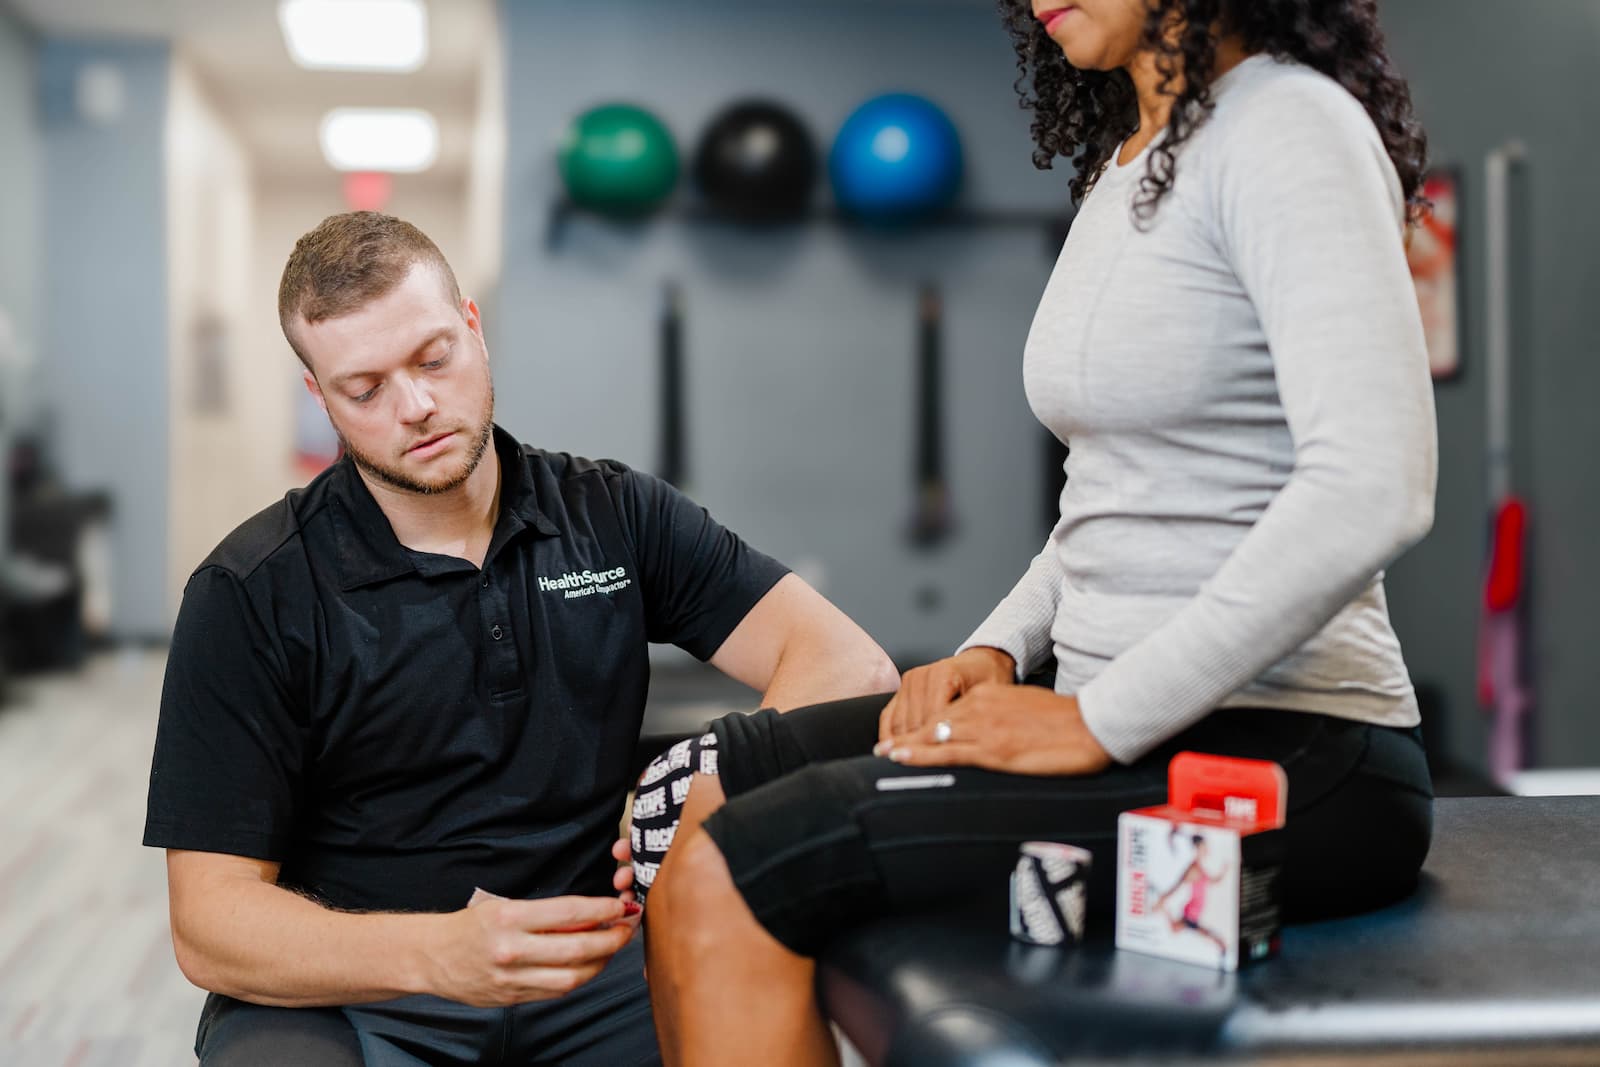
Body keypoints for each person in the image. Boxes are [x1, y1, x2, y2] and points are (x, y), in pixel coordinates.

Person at [639, 1, 1439, 1063]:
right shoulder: (1131, 163)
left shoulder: (1289, 126)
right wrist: (993, 647)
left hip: (1294, 745)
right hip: (1114, 712)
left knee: (735, 865)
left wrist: (1094, 720)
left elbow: (1376, 485)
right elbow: (1107, 496)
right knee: (683, 797)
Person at [142, 211, 900, 1067]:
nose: (417, 405)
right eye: (366, 388)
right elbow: (209, 923)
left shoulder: (613, 514)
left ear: (473, 327)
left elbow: (847, 662)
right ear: (319, 397)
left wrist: (699, 787)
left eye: (434, 359)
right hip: (364, 991)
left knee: (769, 1008)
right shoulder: (249, 591)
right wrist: (441, 952)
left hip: (600, 963)